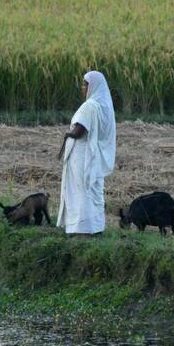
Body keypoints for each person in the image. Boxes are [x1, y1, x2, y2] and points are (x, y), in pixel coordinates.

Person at [57, 70, 116, 235]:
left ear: (93, 86)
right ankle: (96, 227)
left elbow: (79, 131)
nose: (83, 88)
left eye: (85, 84)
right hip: (94, 155)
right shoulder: (105, 106)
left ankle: (81, 228)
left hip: (82, 155)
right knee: (93, 190)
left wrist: (68, 133)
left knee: (81, 190)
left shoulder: (89, 106)